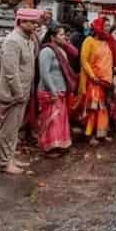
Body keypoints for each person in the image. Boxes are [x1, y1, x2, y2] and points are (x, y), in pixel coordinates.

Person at [0, 8, 40, 174]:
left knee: (14, 129)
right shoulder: (13, 41)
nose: (35, 25)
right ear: (22, 22)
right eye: (32, 22)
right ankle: (5, 162)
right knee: (7, 130)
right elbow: (10, 71)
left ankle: (10, 157)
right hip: (13, 95)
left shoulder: (27, 39)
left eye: (35, 22)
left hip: (23, 92)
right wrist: (19, 93)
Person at [78, 17, 116, 144]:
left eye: (108, 26)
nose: (107, 28)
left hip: (106, 82)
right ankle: (89, 135)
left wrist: (114, 76)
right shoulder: (89, 41)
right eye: (105, 25)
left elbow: (113, 62)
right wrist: (92, 76)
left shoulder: (108, 42)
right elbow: (84, 60)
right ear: (98, 27)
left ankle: (101, 133)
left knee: (104, 108)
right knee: (93, 108)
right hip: (94, 81)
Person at [36, 26, 75, 156]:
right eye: (61, 35)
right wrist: (53, 91)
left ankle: (58, 145)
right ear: (52, 37)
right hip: (50, 91)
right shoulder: (47, 51)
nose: (65, 37)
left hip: (61, 90)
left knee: (59, 120)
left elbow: (75, 53)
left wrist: (67, 44)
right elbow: (44, 73)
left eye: (65, 35)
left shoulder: (61, 50)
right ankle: (49, 148)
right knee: (51, 121)